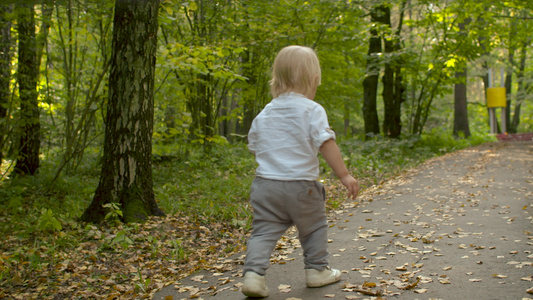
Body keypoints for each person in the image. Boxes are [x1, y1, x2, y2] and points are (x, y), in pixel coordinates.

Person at [241, 45, 360, 298]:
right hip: (302, 187)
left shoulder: (265, 112)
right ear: (313, 79)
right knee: (314, 227)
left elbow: (254, 146)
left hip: (266, 186)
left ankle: (253, 275)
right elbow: (326, 143)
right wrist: (344, 175)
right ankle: (317, 271)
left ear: (278, 79)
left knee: (263, 231)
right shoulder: (312, 109)